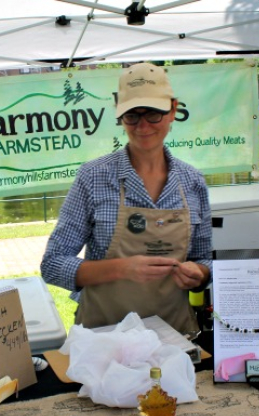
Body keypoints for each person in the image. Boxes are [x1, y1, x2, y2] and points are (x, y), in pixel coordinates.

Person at [40, 62, 213, 335]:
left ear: (173, 110)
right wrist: (122, 268)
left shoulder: (192, 182)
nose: (142, 125)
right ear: (121, 117)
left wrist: (200, 275)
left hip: (172, 336)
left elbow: (204, 259)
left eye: (154, 114)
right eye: (132, 115)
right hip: (105, 338)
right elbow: (52, 264)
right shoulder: (93, 177)